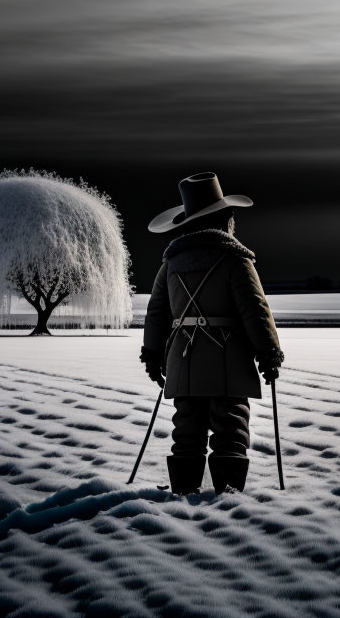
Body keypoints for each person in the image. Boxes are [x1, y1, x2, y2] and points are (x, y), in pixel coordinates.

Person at [140, 172, 284, 494]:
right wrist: (269, 352)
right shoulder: (235, 259)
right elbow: (255, 310)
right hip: (228, 359)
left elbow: (156, 313)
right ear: (225, 218)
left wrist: (152, 355)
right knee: (230, 426)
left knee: (187, 429)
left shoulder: (170, 264)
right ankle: (228, 500)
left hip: (182, 358)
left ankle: (184, 492)